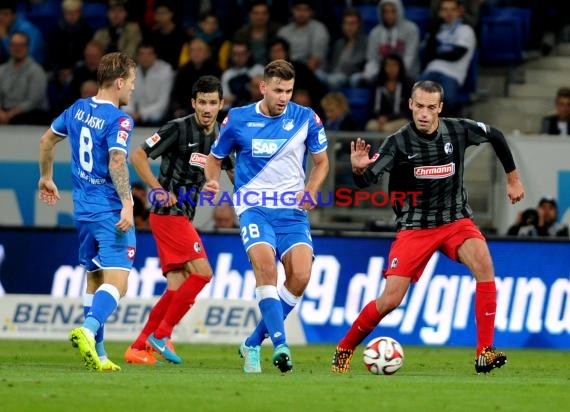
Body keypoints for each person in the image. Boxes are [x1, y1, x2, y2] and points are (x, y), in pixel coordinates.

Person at [331, 80, 525, 375]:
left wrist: (512, 177)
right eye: (419, 106)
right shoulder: (397, 142)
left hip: (455, 220)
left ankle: (484, 352)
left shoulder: (458, 129)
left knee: (484, 264)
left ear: (440, 108)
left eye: (430, 108)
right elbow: (367, 181)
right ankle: (344, 349)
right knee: (391, 299)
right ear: (410, 104)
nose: (423, 113)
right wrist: (358, 170)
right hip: (415, 227)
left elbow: (495, 135)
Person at [204, 59, 329, 373]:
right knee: (265, 269)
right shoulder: (237, 119)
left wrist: (312, 188)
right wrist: (211, 180)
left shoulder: (306, 118)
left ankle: (252, 342)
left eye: (288, 90)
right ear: (263, 87)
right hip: (254, 207)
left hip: (291, 210)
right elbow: (215, 158)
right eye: (277, 90)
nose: (284, 97)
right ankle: (281, 345)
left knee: (300, 276)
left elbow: (322, 162)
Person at [124, 75, 234, 365]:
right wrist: (157, 190)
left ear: (221, 104)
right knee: (204, 273)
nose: (208, 108)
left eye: (213, 102)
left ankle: (138, 348)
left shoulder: (222, 138)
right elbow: (137, 156)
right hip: (168, 214)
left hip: (183, 215)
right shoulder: (178, 128)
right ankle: (162, 334)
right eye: (202, 102)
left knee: (176, 287)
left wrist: (225, 187)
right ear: (193, 103)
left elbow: (232, 173)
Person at [38, 52, 137, 372]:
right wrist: (128, 202)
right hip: (109, 210)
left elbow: (46, 141)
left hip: (82, 211)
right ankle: (88, 329)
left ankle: (100, 354)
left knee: (94, 279)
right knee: (118, 283)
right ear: (119, 81)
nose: (132, 89)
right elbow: (118, 161)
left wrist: (46, 177)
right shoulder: (119, 120)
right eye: (132, 83)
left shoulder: (77, 108)